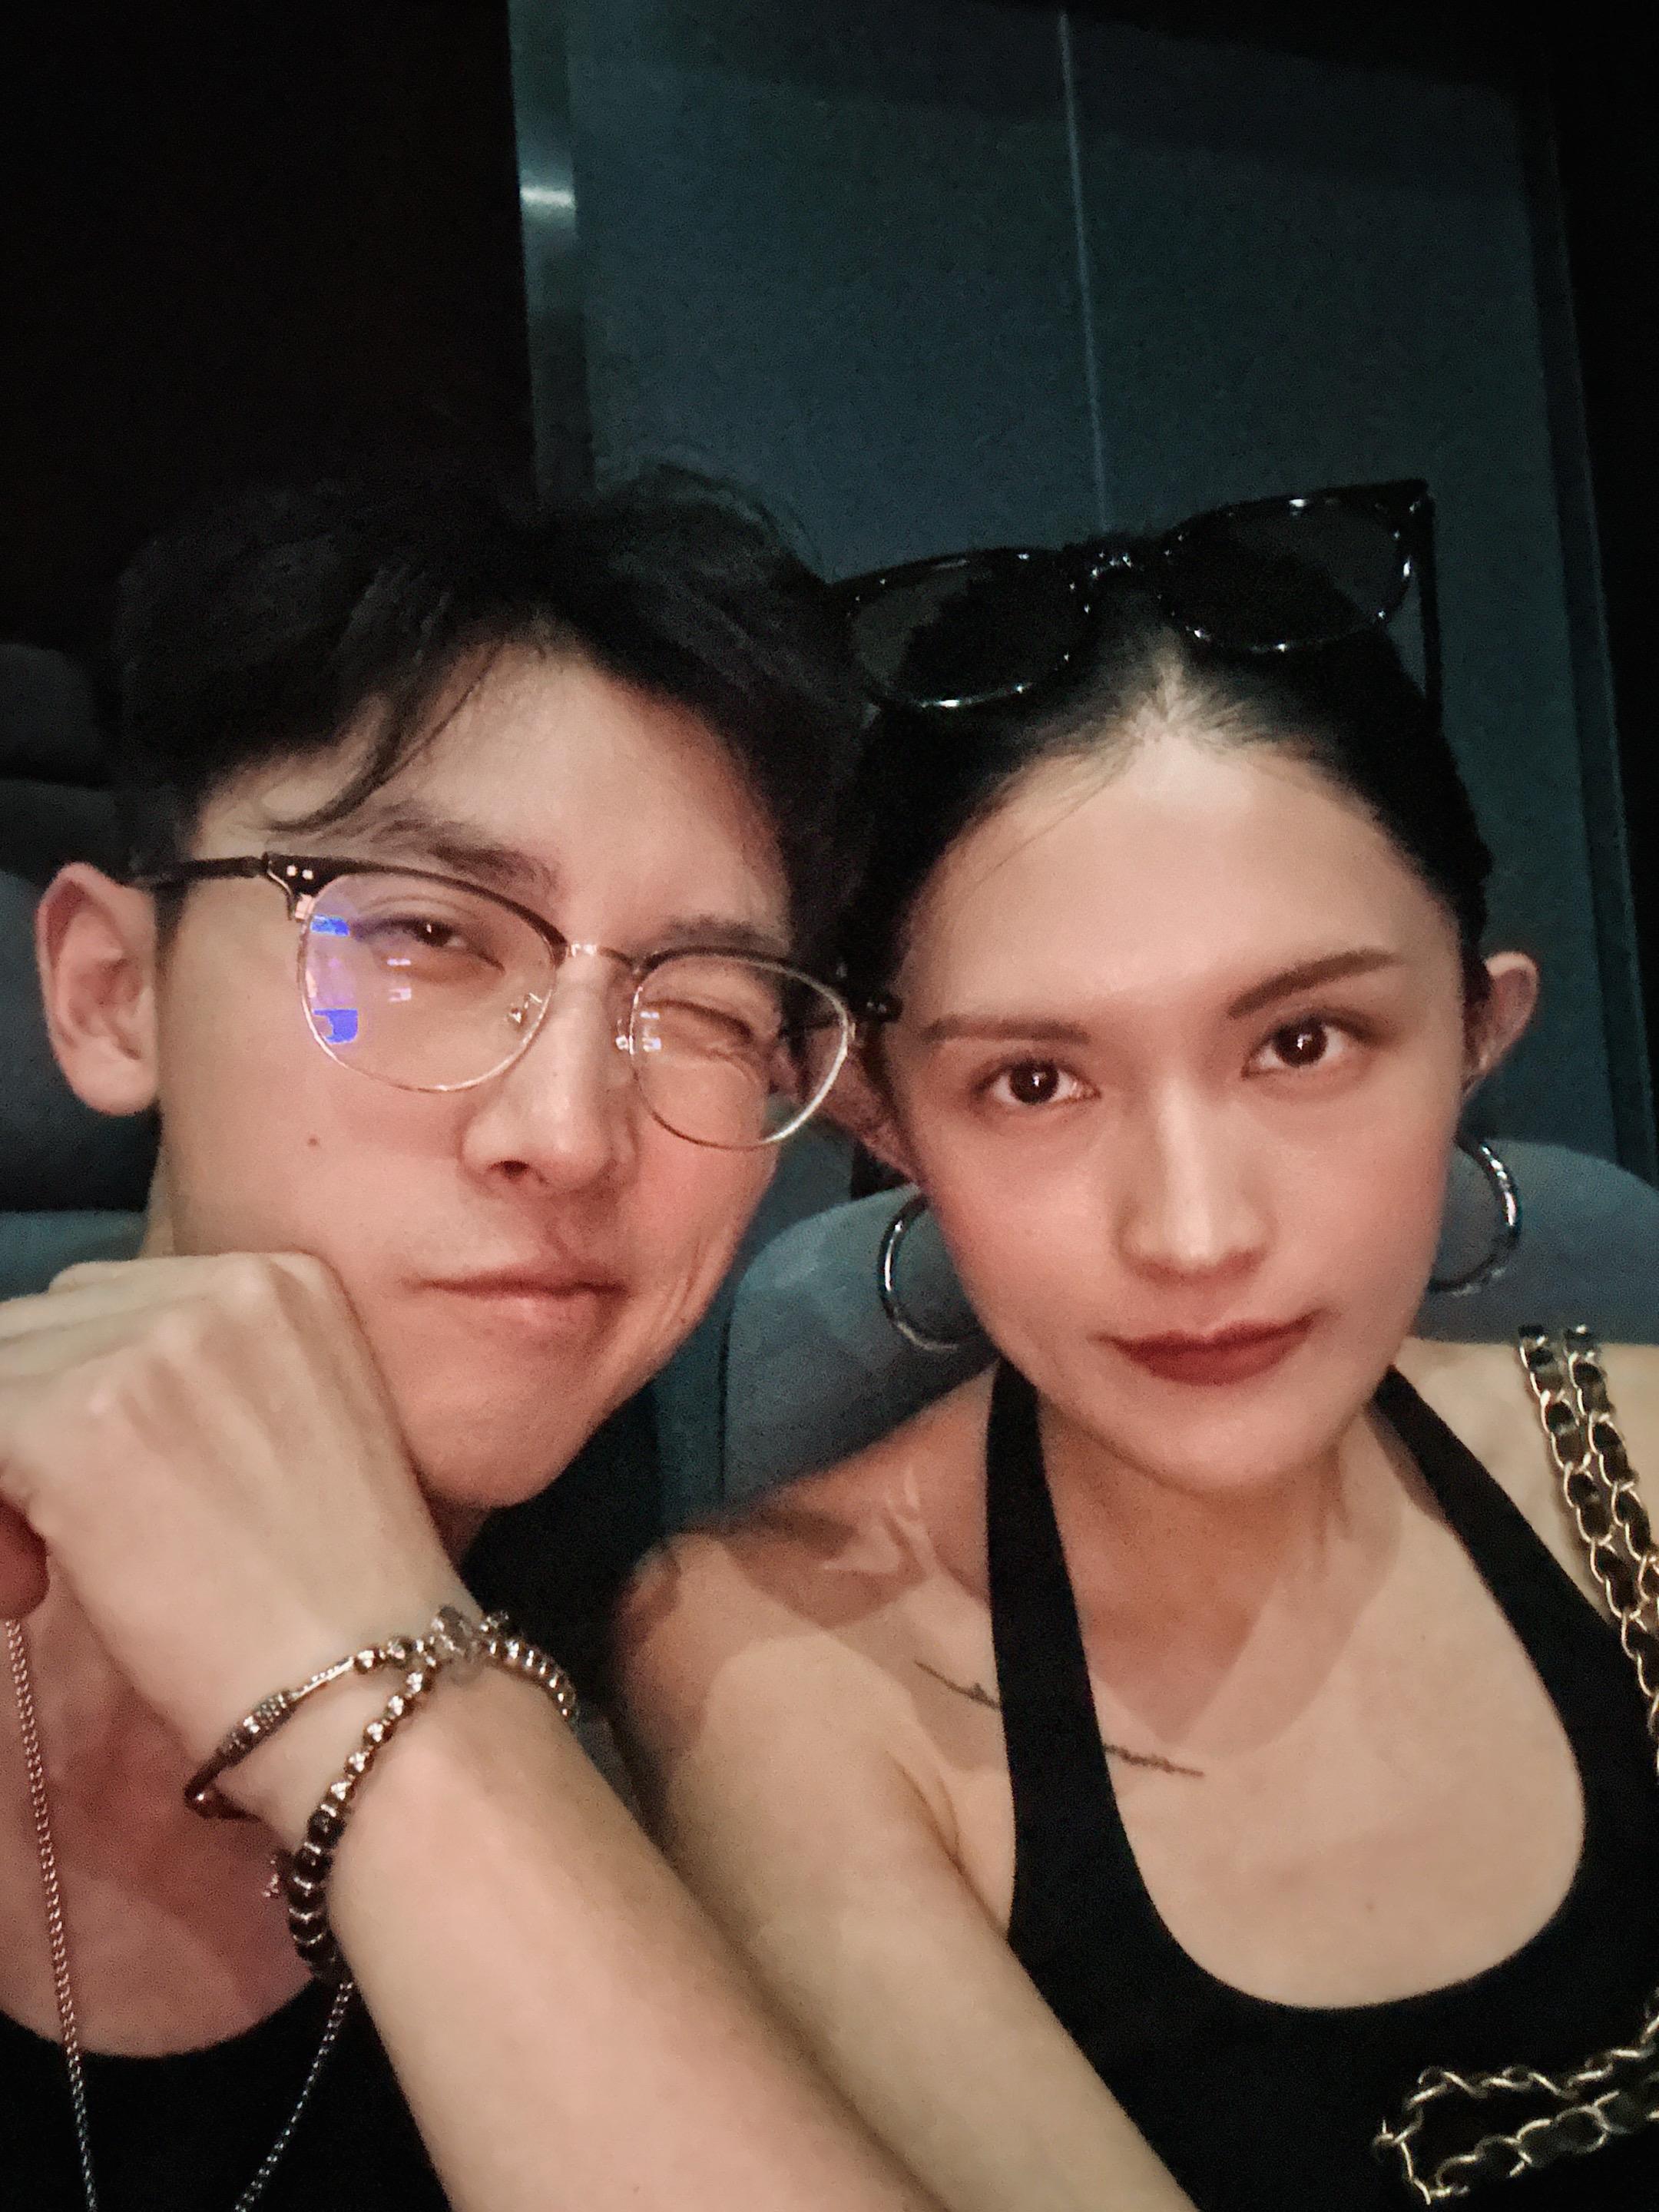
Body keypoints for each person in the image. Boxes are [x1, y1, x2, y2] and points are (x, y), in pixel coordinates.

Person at [616, 484, 1659, 2211]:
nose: (1193, 1232)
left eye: (1304, 1041)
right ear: (885, 1120)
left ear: (1480, 1031)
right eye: (1034, 1082)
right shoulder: (778, 1661)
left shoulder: (1642, 1469)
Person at [0, 470, 947, 2210]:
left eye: (705, 1004)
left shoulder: (711, 1750)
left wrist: (385, 1687)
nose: (569, 1134)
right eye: (425, 935)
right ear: (111, 992)